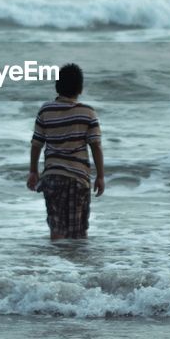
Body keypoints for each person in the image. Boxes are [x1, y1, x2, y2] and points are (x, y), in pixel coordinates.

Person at [27, 63, 104, 240]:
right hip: (79, 179)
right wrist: (100, 176)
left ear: (57, 86)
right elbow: (96, 146)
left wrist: (33, 171)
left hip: (53, 178)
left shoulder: (46, 111)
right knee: (79, 232)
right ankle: (76, 266)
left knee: (57, 230)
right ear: (81, 88)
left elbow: (36, 144)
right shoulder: (88, 112)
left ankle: (56, 265)